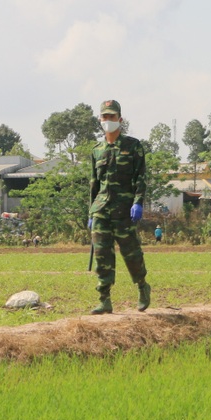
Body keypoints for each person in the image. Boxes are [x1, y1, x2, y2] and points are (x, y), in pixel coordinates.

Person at [88, 99, 150, 314]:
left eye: (112, 117)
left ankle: (142, 286)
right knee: (102, 256)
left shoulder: (133, 146)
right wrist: (91, 211)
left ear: (120, 119)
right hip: (101, 210)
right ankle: (104, 299)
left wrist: (138, 202)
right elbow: (93, 183)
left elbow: (140, 178)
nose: (108, 120)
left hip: (125, 211)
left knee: (131, 253)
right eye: (104, 117)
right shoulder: (96, 150)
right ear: (100, 119)